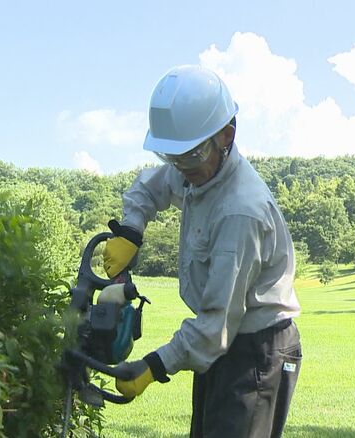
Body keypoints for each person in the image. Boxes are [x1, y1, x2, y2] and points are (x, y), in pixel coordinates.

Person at [103, 65, 302, 438]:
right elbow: (150, 187)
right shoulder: (197, 165)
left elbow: (216, 325)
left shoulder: (240, 211)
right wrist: (131, 230)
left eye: (189, 156)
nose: (181, 169)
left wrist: (154, 366)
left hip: (256, 351)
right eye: (172, 157)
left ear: (226, 135)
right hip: (228, 346)